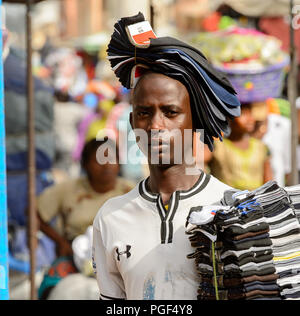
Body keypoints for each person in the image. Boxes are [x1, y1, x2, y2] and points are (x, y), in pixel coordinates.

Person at [92, 13, 242, 300]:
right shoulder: (111, 218)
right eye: (144, 113)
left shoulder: (230, 210)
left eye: (171, 113)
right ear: (133, 123)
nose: (156, 126)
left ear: (195, 119)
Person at [37, 138, 135, 299]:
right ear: (85, 164)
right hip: (74, 255)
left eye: (111, 159)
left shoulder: (131, 191)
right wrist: (60, 242)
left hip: (120, 256)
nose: (106, 165)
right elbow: (35, 212)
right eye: (98, 160)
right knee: (49, 288)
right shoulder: (68, 189)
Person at [206, 103, 273, 191]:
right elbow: (199, 162)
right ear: (229, 117)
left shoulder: (261, 147)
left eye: (251, 114)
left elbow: (268, 182)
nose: (250, 119)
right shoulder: (217, 146)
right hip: (225, 202)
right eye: (244, 114)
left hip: (256, 202)